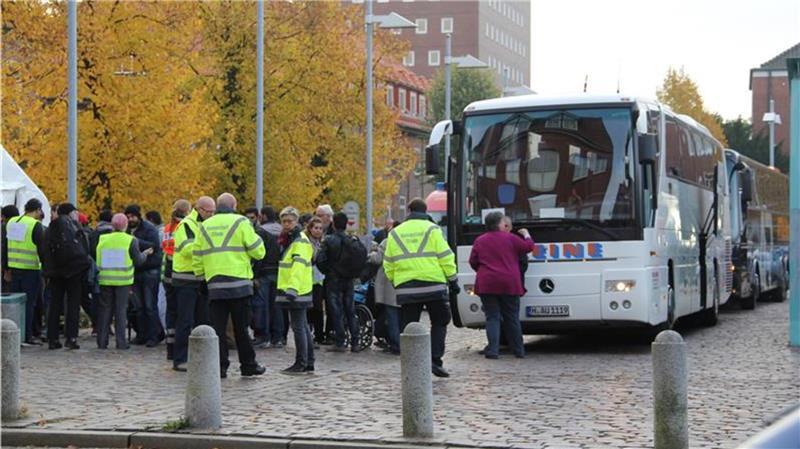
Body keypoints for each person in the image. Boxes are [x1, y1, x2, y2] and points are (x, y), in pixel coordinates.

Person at [193, 193, 265, 378]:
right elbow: (258, 251)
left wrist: (202, 277)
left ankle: (220, 367)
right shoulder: (241, 222)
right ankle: (248, 365)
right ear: (234, 205)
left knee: (218, 329)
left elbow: (197, 255)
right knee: (241, 329)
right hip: (239, 284)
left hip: (215, 285)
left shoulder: (205, 225)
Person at [383, 198, 457, 378]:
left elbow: (388, 263)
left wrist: (396, 282)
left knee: (409, 327)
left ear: (408, 210)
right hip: (434, 285)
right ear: (426, 211)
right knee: (440, 321)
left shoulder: (395, 233)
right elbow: (445, 256)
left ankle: (412, 364)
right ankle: (435, 360)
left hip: (406, 288)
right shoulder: (433, 230)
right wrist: (452, 279)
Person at [468, 212, 535, 359]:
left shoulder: (480, 240)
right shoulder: (510, 238)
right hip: (509, 283)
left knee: (492, 317)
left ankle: (493, 350)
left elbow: (473, 261)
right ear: (499, 224)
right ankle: (518, 350)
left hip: (487, 283)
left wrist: (484, 271)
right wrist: (527, 234)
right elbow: (529, 247)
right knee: (512, 317)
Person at [95, 214, 152, 349]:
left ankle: (102, 342)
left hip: (105, 280)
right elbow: (138, 261)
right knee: (120, 311)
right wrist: (145, 254)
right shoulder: (130, 240)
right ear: (125, 225)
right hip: (123, 282)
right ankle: (121, 342)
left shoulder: (102, 239)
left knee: (105, 311)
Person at [170, 196, 214, 371]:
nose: (211, 215)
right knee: (185, 320)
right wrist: (208, 247)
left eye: (213, 211)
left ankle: (202, 358)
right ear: (200, 209)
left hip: (201, 278)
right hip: (185, 279)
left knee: (203, 321)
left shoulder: (205, 224)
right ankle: (180, 359)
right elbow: (188, 249)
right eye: (209, 211)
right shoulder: (187, 225)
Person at [41, 203, 92, 350]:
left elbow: (43, 250)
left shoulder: (50, 228)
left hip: (55, 272)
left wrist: (48, 269)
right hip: (74, 271)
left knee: (55, 304)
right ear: (70, 213)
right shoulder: (75, 226)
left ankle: (53, 339)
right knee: (73, 305)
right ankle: (71, 338)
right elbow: (84, 248)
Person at [275, 207, 315, 374]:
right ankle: (308, 361)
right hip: (299, 288)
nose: (286, 224)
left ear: (296, 221)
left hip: (296, 289)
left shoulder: (298, 240)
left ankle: (301, 362)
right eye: (284, 221)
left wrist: (292, 288)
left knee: (298, 326)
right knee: (302, 326)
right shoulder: (293, 239)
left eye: (290, 221)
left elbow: (298, 266)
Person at [318, 212, 361, 352]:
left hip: (333, 279)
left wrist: (328, 271)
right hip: (349, 279)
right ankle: (355, 341)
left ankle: (340, 341)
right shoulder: (352, 240)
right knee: (350, 309)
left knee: (336, 310)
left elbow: (320, 260)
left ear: (334, 224)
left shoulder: (329, 240)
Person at [6, 199, 45, 345]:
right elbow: (42, 250)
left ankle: (14, 334)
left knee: (16, 304)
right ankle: (26, 336)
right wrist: (46, 269)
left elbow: (5, 245)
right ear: (37, 210)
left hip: (14, 268)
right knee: (29, 304)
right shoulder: (35, 225)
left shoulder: (12, 222)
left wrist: (6, 268)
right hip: (31, 269)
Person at [125, 204, 164, 347]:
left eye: (132, 216)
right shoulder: (128, 230)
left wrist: (133, 241)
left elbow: (153, 246)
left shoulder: (149, 229)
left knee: (149, 306)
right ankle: (142, 335)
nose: (130, 219)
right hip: (135, 270)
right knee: (139, 307)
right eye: (128, 217)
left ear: (138, 216)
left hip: (149, 270)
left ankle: (153, 335)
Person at [162, 200, 191, 361]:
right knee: (184, 313)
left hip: (167, 272)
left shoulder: (167, 227)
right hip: (180, 270)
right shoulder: (186, 227)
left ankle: (170, 349)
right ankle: (183, 349)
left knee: (171, 312)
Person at [250, 208, 281, 349]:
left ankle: (262, 336)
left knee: (261, 305)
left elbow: (258, 255)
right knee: (276, 306)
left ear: (263, 216)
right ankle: (278, 337)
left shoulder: (261, 232)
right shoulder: (282, 231)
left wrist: (254, 275)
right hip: (279, 272)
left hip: (264, 273)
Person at [370, 219, 401, 355]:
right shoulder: (408, 240)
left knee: (392, 314)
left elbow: (377, 259)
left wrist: (371, 253)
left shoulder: (387, 241)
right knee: (402, 316)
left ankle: (396, 345)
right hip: (405, 281)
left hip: (389, 283)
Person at [305, 217, 327, 343]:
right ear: (310, 229)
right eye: (316, 228)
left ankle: (319, 335)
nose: (318, 231)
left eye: (320, 228)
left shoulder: (323, 242)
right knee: (309, 307)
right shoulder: (307, 242)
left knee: (318, 308)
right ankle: (309, 332)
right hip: (308, 277)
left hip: (319, 279)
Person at [2, 205, 21, 294]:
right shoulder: (23, 226)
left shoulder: (5, 227)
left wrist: (6, 269)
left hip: (9, 268)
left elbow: (5, 248)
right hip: (23, 267)